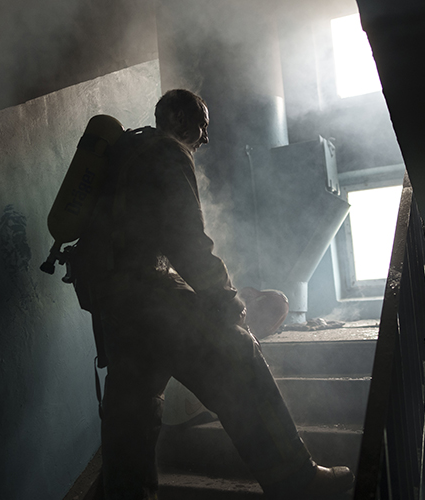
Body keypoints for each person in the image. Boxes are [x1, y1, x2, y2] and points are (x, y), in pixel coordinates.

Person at [78, 89, 354, 499]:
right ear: (175, 116)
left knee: (131, 407)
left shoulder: (126, 151)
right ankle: (298, 480)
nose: (204, 137)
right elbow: (186, 237)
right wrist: (225, 298)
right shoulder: (166, 151)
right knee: (237, 356)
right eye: (201, 124)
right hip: (145, 288)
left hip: (110, 302)